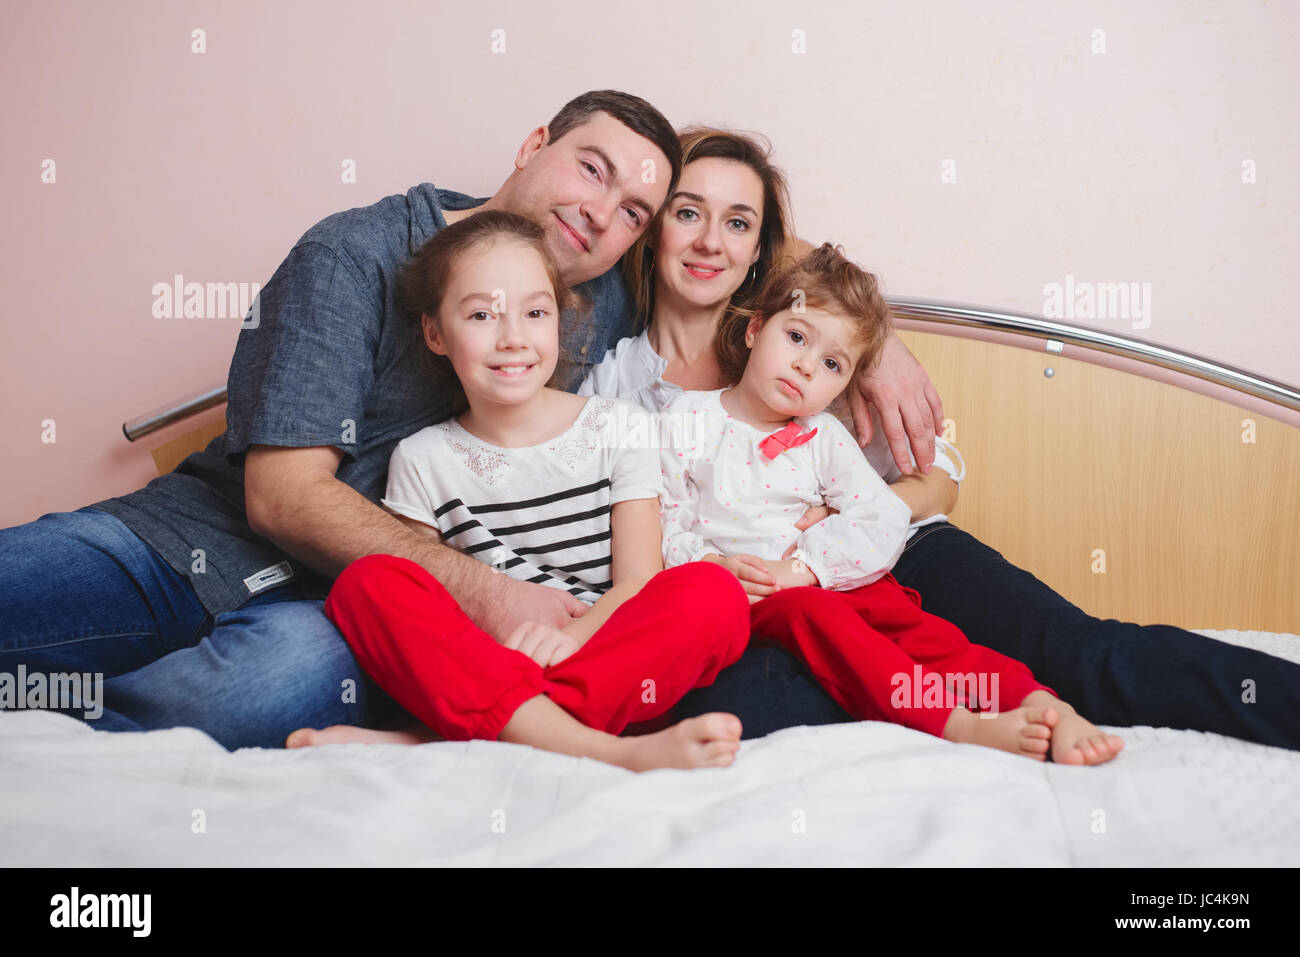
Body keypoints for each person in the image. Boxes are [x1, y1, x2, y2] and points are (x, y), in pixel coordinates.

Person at [0, 90, 688, 749]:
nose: (601, 212)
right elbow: (282, 496)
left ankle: (62, 737)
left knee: (292, 677)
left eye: (633, 213)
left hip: (330, 617)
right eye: (592, 170)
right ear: (533, 145)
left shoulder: (599, 306)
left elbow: (737, 302)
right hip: (175, 544)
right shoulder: (353, 255)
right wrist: (492, 594)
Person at [582, 126, 1300, 752]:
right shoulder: (615, 384)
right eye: (688, 213)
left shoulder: (814, 334)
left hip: (901, 550)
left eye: (739, 223)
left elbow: (939, 474)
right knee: (732, 698)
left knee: (1085, 657)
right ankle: (934, 709)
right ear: (653, 225)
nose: (711, 240)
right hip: (754, 601)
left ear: (760, 247)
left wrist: (843, 525)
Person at [286, 211, 750, 770]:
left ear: (560, 321)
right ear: (435, 333)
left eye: (535, 312)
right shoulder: (421, 459)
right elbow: (432, 598)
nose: (512, 338)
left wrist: (576, 641)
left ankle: (443, 740)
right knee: (369, 581)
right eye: (482, 314)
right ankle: (599, 750)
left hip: (601, 651)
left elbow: (638, 584)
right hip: (492, 662)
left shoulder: (619, 425)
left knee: (712, 591)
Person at [658, 242, 1123, 764]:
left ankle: (1045, 704)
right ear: (753, 329)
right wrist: (712, 567)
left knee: (931, 639)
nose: (806, 367)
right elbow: (661, 519)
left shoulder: (824, 436)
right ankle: (955, 722)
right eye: (795, 338)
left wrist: (806, 566)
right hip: (749, 596)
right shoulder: (686, 419)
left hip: (823, 578)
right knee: (818, 622)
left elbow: (879, 514)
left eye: (832, 363)